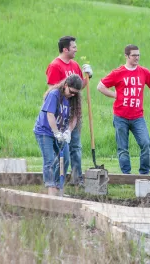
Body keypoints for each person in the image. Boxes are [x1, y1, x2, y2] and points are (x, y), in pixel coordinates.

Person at [97, 44, 150, 175]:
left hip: (138, 117)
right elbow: (100, 86)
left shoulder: (144, 72)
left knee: (145, 143)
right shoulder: (118, 73)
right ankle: (126, 175)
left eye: (138, 55)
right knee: (123, 148)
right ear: (127, 56)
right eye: (134, 55)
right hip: (120, 117)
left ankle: (144, 173)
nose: (137, 58)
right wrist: (116, 95)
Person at [46, 36, 93, 186]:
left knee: (76, 146)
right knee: (61, 148)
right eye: (74, 47)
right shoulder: (55, 66)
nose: (76, 49)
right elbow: (52, 92)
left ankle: (76, 178)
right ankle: (56, 179)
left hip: (73, 112)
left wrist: (88, 78)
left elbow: (78, 89)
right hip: (61, 115)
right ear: (65, 49)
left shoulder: (75, 65)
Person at [34, 74, 83, 196]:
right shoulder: (54, 95)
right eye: (71, 92)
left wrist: (68, 131)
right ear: (65, 85)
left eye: (75, 93)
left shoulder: (73, 99)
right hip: (45, 131)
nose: (72, 95)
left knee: (65, 159)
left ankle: (57, 185)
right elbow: (50, 115)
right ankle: (51, 188)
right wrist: (56, 132)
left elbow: (74, 117)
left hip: (61, 132)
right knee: (50, 160)